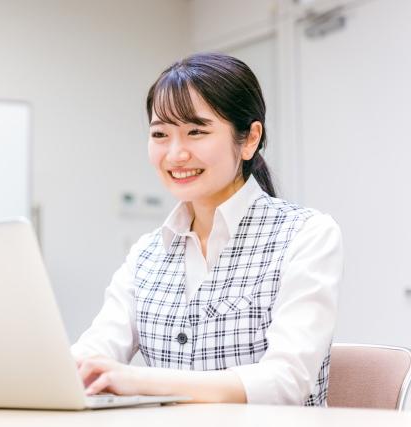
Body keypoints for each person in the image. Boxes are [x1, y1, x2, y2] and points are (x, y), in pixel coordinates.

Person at [70, 52, 343, 406]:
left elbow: (285, 382)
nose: (175, 154)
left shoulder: (306, 235)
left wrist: (141, 380)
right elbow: (97, 350)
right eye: (160, 134)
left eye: (196, 131)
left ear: (248, 139)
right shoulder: (146, 254)